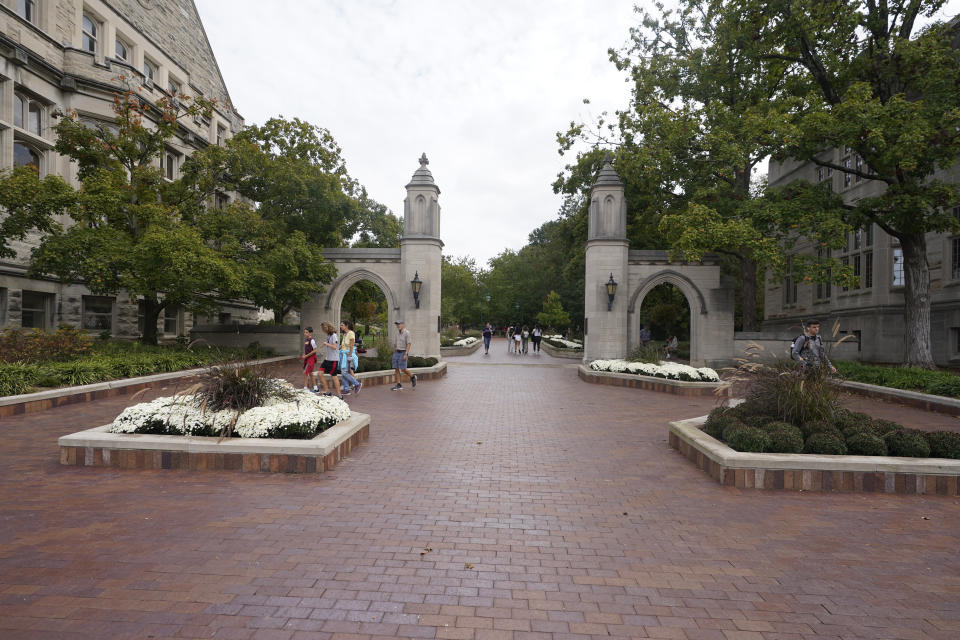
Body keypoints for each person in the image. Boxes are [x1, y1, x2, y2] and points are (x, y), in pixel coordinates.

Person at [317, 322, 343, 399]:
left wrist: (326, 343)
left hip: (333, 360)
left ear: (326, 328)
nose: (322, 330)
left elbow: (334, 347)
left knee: (334, 377)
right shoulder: (329, 336)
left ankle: (339, 395)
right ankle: (327, 391)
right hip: (327, 359)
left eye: (323, 329)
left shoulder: (334, 336)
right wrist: (325, 344)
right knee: (320, 373)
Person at [391, 320, 417, 391]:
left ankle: (412, 377)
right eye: (397, 324)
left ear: (403, 325)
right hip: (397, 352)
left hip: (403, 352)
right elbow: (395, 344)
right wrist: (394, 351)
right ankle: (399, 384)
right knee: (396, 368)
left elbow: (409, 344)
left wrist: (406, 353)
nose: (398, 325)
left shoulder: (407, 333)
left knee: (403, 369)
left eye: (399, 324)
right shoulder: (397, 333)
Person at [339, 320, 362, 396]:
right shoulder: (345, 334)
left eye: (342, 325)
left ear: (346, 326)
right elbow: (343, 345)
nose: (340, 326)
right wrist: (338, 348)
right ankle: (346, 389)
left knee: (344, 372)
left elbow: (351, 345)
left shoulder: (351, 333)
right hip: (343, 354)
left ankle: (357, 384)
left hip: (348, 355)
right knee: (344, 372)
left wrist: (350, 356)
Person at [299, 326, 319, 392]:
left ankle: (305, 388)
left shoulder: (312, 340)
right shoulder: (306, 340)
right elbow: (307, 349)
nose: (305, 334)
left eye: (306, 332)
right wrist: (304, 354)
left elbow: (315, 350)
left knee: (305, 372)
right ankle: (315, 388)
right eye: (304, 332)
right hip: (307, 358)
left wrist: (307, 355)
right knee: (310, 373)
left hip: (311, 359)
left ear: (310, 333)